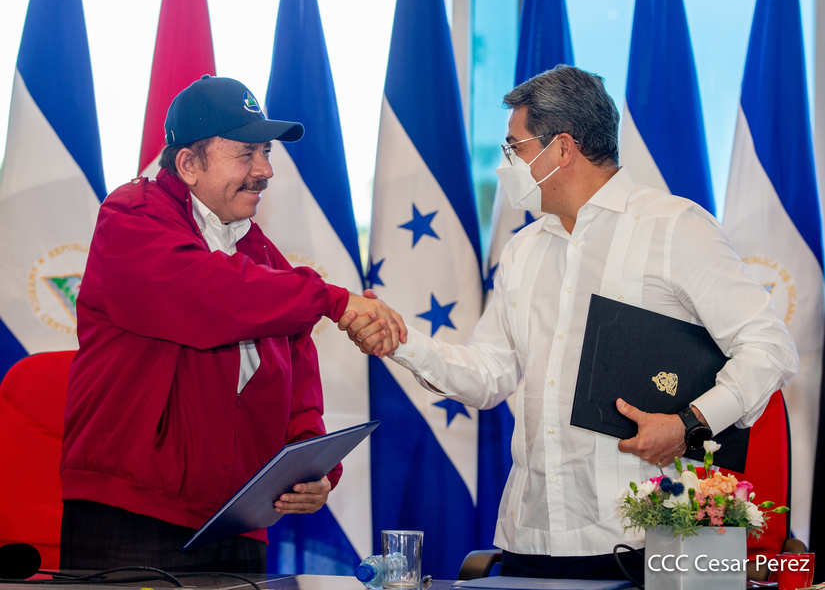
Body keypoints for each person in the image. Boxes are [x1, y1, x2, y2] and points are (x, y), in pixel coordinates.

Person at [341, 65, 798, 581]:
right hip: (531, 535)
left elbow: (770, 347)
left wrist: (689, 424)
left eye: (514, 148)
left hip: (647, 538)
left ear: (562, 148)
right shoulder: (524, 249)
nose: (505, 165)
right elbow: (489, 374)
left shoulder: (673, 228)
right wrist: (401, 342)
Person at [60, 75, 405, 573]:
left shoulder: (262, 255)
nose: (265, 170)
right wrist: (333, 299)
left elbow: (298, 381)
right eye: (246, 154)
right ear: (188, 164)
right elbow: (209, 298)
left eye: (266, 152)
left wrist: (312, 467)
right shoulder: (131, 217)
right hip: (133, 516)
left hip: (238, 519)